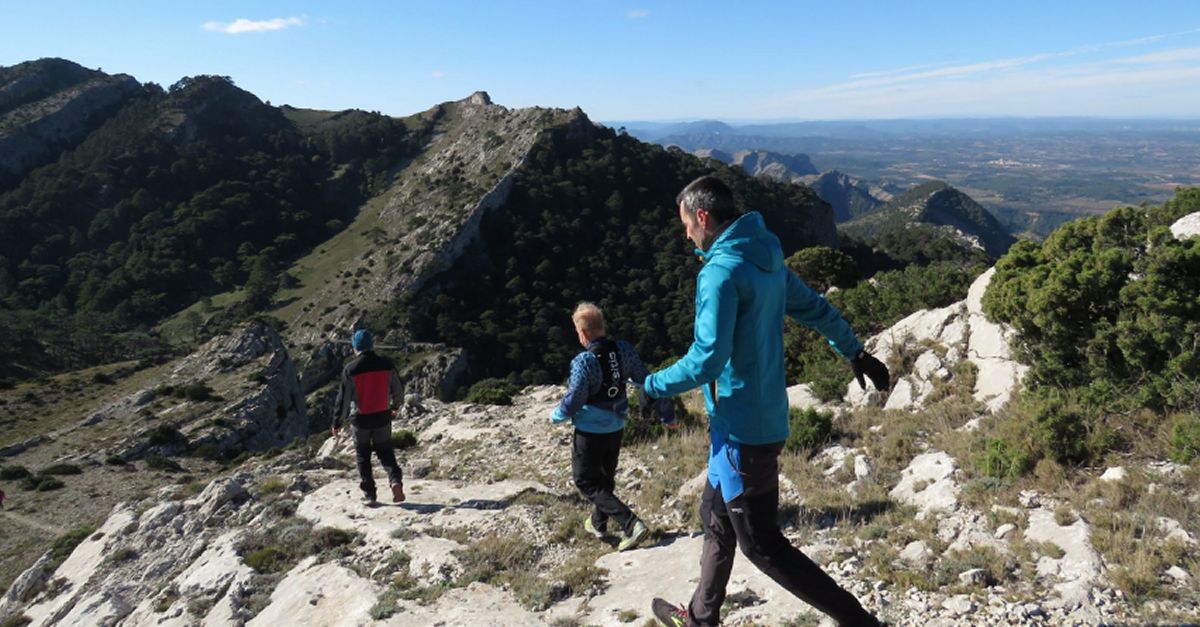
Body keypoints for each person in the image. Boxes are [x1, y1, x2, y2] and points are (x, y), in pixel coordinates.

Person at [645, 176, 890, 627]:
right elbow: (814, 307)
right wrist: (854, 350)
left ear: (703, 217)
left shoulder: (720, 273)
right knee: (714, 517)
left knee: (761, 545)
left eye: (686, 225)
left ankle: (860, 622)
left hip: (743, 431)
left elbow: (706, 360)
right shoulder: (765, 256)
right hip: (747, 422)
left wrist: (652, 386)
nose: (686, 235)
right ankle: (700, 617)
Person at [552, 302, 678, 551]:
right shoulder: (623, 350)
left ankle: (631, 524)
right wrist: (667, 413)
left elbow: (575, 397)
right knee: (605, 477)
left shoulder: (584, 361)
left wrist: (558, 414)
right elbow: (647, 381)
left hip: (590, 431)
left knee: (586, 481)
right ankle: (597, 523)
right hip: (617, 426)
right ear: (602, 326)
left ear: (583, 333)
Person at [334, 329, 406, 505]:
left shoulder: (350, 369)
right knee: (385, 451)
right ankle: (395, 481)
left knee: (363, 456)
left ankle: (370, 495)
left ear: (355, 347)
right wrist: (395, 406)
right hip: (382, 416)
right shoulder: (387, 364)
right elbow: (398, 390)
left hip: (361, 420)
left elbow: (343, 399)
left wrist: (337, 422)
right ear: (372, 345)